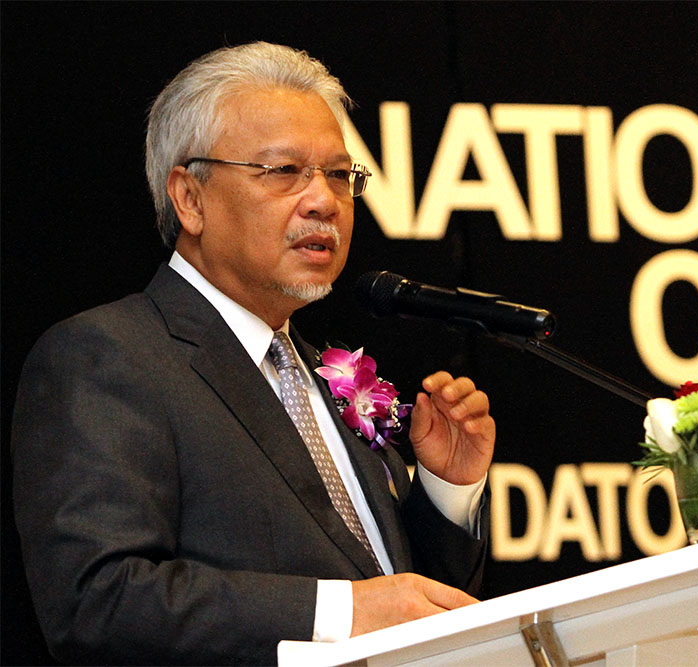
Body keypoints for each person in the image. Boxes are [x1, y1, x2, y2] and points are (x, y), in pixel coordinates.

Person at [11, 41, 495, 666]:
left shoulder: (323, 374)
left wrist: (448, 492)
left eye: (339, 175)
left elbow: (407, 606)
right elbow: (98, 600)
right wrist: (344, 613)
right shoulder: (109, 357)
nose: (324, 201)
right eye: (284, 170)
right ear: (190, 199)